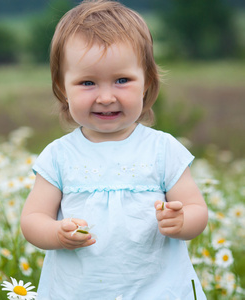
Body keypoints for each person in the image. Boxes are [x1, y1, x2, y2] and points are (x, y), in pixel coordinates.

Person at [20, 1, 209, 299]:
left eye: (122, 80)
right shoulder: (59, 155)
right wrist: (56, 233)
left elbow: (197, 209)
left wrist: (182, 221)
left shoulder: (162, 149)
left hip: (158, 290)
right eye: (87, 82)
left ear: (146, 81)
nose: (106, 97)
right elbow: (32, 220)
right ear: (61, 86)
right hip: (78, 290)